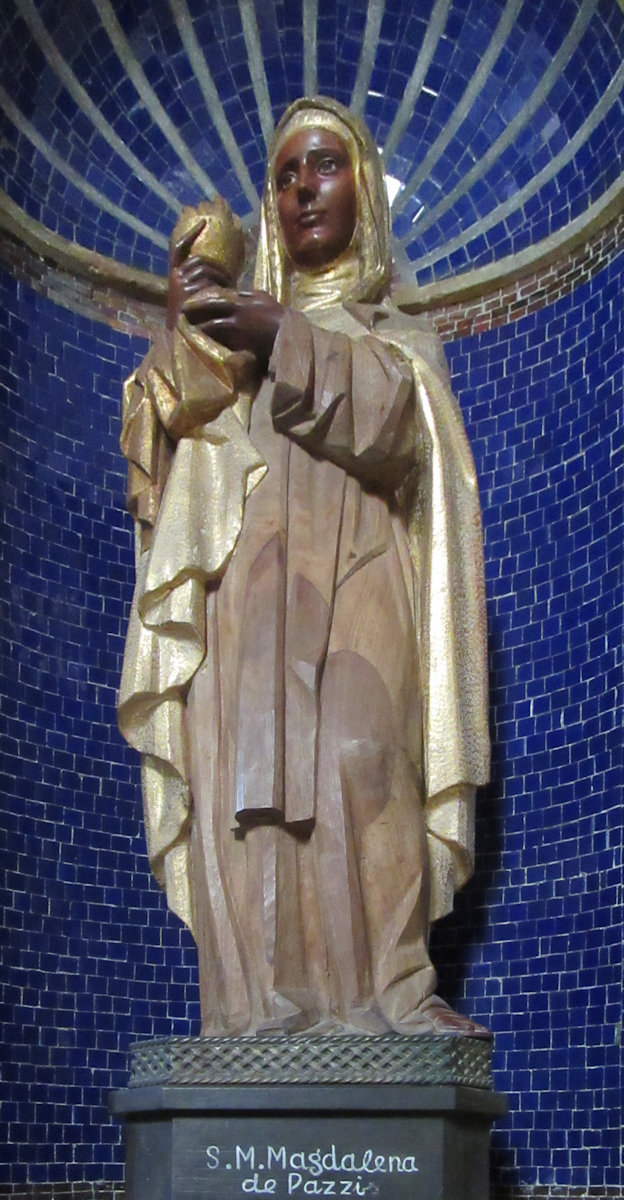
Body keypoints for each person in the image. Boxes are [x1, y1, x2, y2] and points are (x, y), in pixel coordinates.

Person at [118, 96, 490, 1037]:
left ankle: (393, 996)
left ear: (361, 188)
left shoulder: (393, 332)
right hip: (252, 586)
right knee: (251, 786)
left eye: (323, 166)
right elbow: (166, 474)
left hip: (362, 569)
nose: (301, 190)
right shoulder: (226, 353)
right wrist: (185, 335)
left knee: (363, 761)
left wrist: (279, 331)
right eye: (285, 176)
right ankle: (257, 1015)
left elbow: (401, 428)